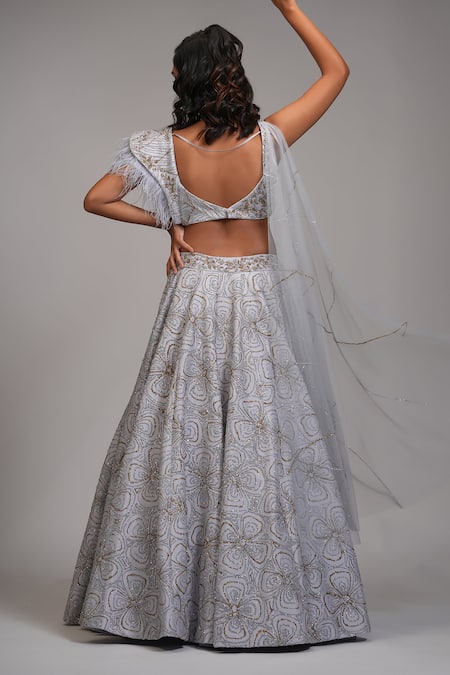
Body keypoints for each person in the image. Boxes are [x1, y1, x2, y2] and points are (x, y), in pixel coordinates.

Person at [63, 0, 383, 649]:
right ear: (233, 75)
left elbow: (97, 198)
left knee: (178, 436)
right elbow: (337, 71)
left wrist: (168, 223)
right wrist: (289, 6)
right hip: (257, 294)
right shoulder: (271, 138)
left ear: (180, 75)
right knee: (262, 439)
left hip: (194, 292)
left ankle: (163, 610)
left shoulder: (158, 147)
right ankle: (267, 608)